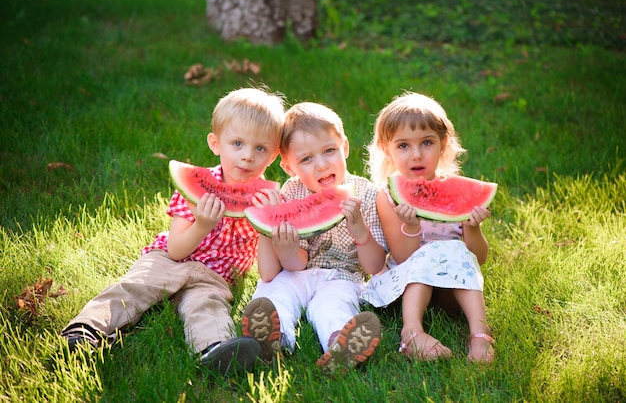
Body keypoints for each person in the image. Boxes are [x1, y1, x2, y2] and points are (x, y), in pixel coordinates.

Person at [60, 87, 286, 374]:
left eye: (260, 148)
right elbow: (176, 248)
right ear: (215, 144)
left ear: (274, 155)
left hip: (215, 277)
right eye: (237, 143)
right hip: (169, 259)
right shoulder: (195, 188)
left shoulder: (266, 201)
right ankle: (85, 329)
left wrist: (268, 224)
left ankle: (215, 349)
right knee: (136, 286)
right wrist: (203, 224)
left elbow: (268, 272)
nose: (247, 157)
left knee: (207, 307)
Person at [240, 101, 388, 372]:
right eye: (306, 159)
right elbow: (291, 265)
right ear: (289, 167)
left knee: (333, 306)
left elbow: (375, 267)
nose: (321, 165)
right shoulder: (292, 192)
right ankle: (270, 339)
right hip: (296, 272)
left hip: (342, 278)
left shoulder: (367, 194)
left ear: (344, 147)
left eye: (329, 151)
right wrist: (285, 249)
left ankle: (340, 344)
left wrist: (360, 230)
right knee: (276, 292)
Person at [361, 91, 495, 363]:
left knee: (455, 250)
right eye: (403, 146)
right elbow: (401, 257)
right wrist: (411, 226)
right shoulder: (387, 196)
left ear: (443, 144)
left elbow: (478, 258)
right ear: (388, 149)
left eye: (426, 143)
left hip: (450, 291)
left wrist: (473, 227)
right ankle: (411, 333)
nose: (416, 155)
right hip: (406, 286)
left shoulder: (456, 191)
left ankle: (480, 335)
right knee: (430, 252)